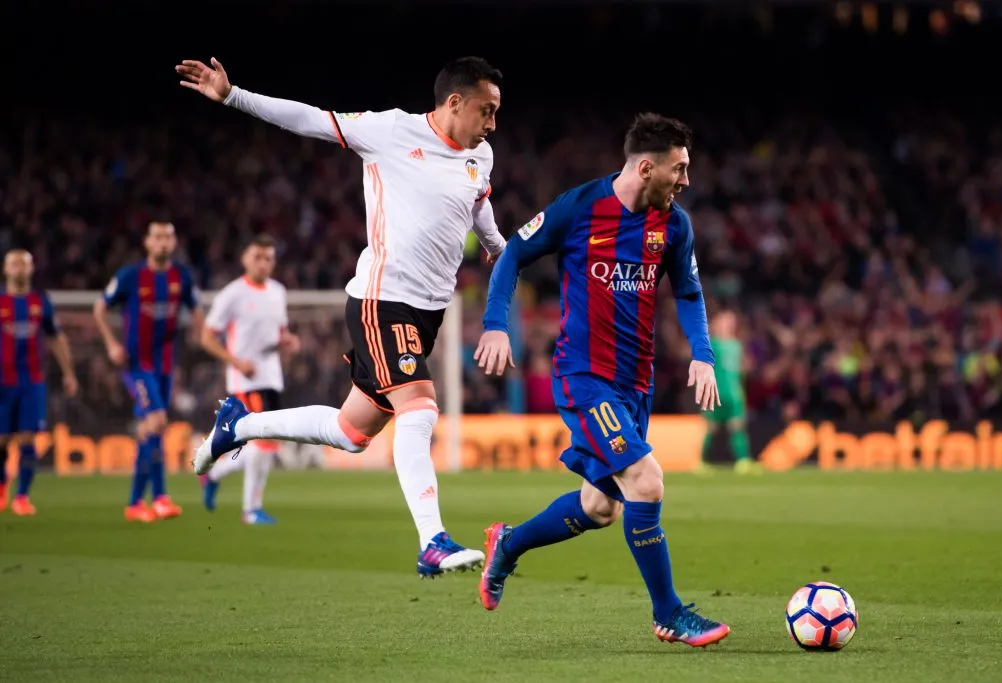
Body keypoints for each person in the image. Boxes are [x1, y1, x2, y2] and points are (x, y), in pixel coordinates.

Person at [176, 55, 506, 576]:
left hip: (427, 315)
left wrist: (499, 249)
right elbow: (308, 117)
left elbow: (479, 210)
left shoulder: (479, 157)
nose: (492, 124)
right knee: (419, 410)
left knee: (352, 432)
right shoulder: (389, 131)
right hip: (382, 299)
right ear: (454, 103)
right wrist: (232, 94)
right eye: (486, 111)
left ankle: (238, 426)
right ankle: (432, 541)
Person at [473, 113, 730, 647]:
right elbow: (514, 253)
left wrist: (702, 355)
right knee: (647, 480)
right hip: (584, 377)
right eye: (679, 169)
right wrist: (497, 324)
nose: (685, 180)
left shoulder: (674, 226)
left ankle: (509, 544)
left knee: (599, 507)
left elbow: (688, 292)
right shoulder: (580, 207)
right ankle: (670, 613)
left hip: (636, 385)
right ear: (645, 167)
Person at [94, 222, 204, 523]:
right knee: (156, 421)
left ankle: (146, 501)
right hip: (137, 364)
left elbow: (196, 309)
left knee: (152, 428)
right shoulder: (131, 276)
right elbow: (99, 308)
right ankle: (148, 500)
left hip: (166, 366)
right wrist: (111, 344)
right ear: (147, 242)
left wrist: (199, 333)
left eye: (168, 236)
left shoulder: (180, 276)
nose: (163, 242)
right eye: (157, 237)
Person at [199, 235, 300, 525]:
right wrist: (237, 362)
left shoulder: (278, 291)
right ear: (245, 259)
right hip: (245, 381)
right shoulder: (232, 294)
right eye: (257, 256)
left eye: (269, 258)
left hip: (271, 378)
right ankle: (251, 510)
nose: (264, 263)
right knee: (264, 442)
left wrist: (288, 342)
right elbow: (207, 336)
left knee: (262, 443)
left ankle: (214, 474)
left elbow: (278, 334)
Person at [0, 250, 78, 515]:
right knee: (1, 440)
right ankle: (2, 486)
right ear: (6, 269)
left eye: (24, 263)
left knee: (27, 437)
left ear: (31, 269)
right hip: (2, 381)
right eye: (14, 263)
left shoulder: (40, 301)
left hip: (32, 381)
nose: (19, 268)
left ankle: (22, 496)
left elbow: (56, 337)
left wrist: (69, 372)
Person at [699, 310, 760, 474]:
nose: (728, 324)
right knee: (712, 428)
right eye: (724, 321)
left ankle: (743, 461)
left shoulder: (737, 345)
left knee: (737, 426)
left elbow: (743, 369)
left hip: (734, 393)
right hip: (716, 392)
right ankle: (701, 462)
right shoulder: (711, 344)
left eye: (730, 321)